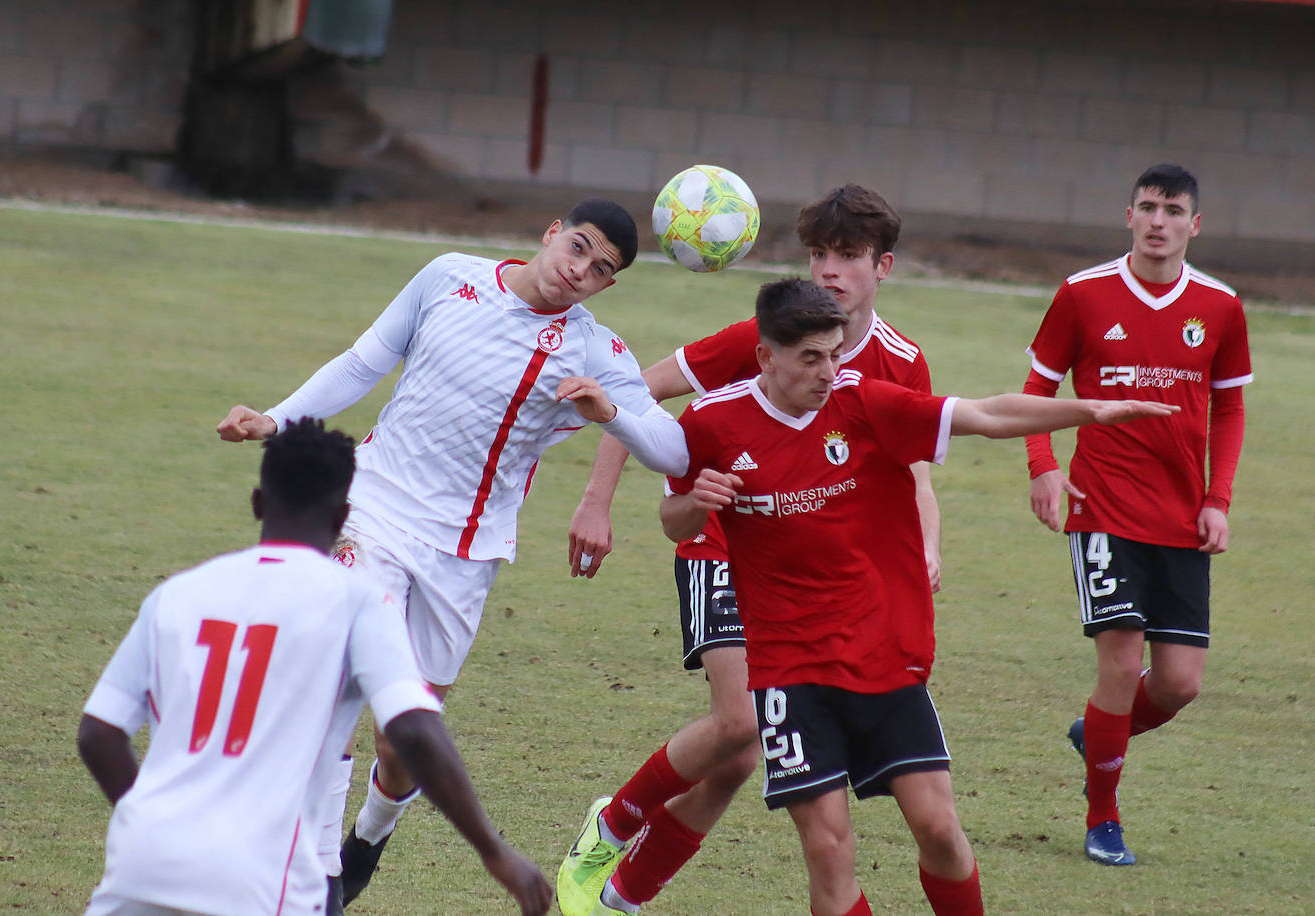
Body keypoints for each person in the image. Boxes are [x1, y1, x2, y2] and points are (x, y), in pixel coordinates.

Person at [598, 277, 1176, 916]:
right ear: (766, 357)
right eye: (811, 357)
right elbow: (673, 519)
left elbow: (986, 414)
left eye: (835, 352)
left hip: (882, 658)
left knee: (938, 830)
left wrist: (1087, 411)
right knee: (829, 849)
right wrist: (693, 503)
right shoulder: (712, 421)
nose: (829, 370)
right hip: (787, 671)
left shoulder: (866, 403)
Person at [215, 200, 689, 906]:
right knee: (337, 678)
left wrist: (608, 413)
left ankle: (365, 843)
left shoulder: (592, 350)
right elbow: (362, 363)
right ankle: (318, 880)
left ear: (605, 286)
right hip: (371, 508)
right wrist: (276, 418)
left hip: (462, 554)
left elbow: (674, 451)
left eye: (599, 271)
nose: (578, 271)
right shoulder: (447, 278)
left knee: (402, 740)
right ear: (550, 230)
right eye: (578, 248)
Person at [558, 185, 938, 916]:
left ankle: (618, 898)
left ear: (881, 266)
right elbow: (637, 393)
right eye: (818, 254)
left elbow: (909, 465)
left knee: (738, 759)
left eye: (847, 256)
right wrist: (596, 500)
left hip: (807, 574)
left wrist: (925, 549)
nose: (829, 271)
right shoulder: (763, 337)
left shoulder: (899, 361)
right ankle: (612, 827)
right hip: (717, 542)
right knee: (738, 724)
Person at [77, 418, 551, 916]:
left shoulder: (175, 595)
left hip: (139, 870)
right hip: (259, 884)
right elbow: (412, 728)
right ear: (343, 514)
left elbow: (98, 733)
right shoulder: (359, 604)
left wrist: (152, 823)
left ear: (258, 503)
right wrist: (494, 851)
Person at [1021, 163, 1252, 866]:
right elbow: (1036, 388)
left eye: (1172, 210)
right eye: (1147, 207)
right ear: (1129, 216)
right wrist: (1044, 467)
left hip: (1181, 518)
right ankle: (1103, 818)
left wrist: (1217, 500)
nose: (1158, 220)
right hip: (1101, 511)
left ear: (1194, 224)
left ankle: (1099, 736)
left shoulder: (1219, 305)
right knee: (1120, 665)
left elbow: (1230, 406)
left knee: (1179, 683)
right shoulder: (1083, 294)